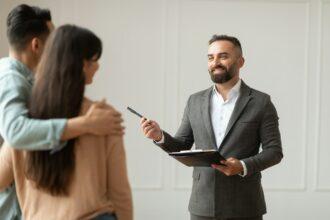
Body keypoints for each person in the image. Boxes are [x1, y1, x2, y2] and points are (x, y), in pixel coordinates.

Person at [0, 4, 124, 220]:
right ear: (37, 45)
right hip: (13, 206)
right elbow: (15, 132)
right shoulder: (12, 80)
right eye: (52, 41)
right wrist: (86, 124)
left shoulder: (28, 83)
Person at [140, 35, 283, 220]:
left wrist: (242, 166)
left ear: (240, 62)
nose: (215, 62)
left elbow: (274, 152)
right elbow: (182, 144)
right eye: (210, 57)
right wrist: (159, 136)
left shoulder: (261, 102)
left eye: (223, 56)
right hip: (202, 205)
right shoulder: (194, 101)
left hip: (244, 205)